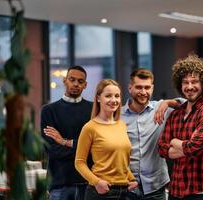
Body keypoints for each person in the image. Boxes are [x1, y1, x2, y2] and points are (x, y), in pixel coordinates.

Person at [158, 54, 203, 200]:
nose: (190, 86)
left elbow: (194, 148)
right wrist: (186, 147)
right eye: (185, 82)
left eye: (194, 82)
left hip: (202, 192)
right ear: (180, 85)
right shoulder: (176, 114)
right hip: (176, 191)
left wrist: (174, 142)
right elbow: (161, 149)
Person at [121, 68, 182, 200]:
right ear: (130, 88)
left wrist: (168, 102)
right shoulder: (117, 115)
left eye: (147, 87)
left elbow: (188, 105)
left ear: (152, 88)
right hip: (126, 187)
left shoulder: (161, 108)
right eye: (138, 87)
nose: (143, 92)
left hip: (156, 187)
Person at [75, 79, 138, 200]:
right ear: (98, 98)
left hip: (124, 191)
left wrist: (131, 179)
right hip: (101, 192)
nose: (114, 100)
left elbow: (120, 161)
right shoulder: (90, 127)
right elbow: (79, 162)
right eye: (108, 96)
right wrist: (96, 182)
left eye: (117, 96)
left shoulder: (121, 125)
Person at [41, 66, 92, 200]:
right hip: (59, 183)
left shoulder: (93, 110)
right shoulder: (49, 110)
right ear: (65, 81)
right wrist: (83, 150)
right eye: (72, 80)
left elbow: (96, 148)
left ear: (85, 85)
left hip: (88, 182)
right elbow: (50, 148)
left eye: (80, 81)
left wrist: (64, 141)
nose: (76, 84)